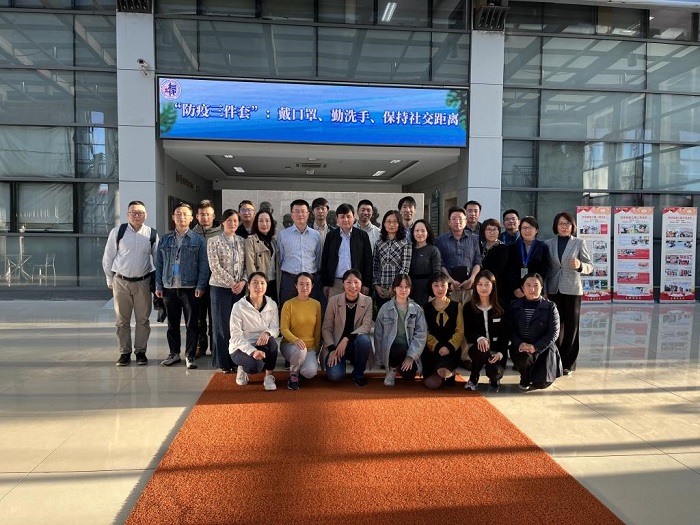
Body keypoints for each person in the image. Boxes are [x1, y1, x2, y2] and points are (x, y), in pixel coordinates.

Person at [102, 200, 158, 367]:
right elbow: (108, 257)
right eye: (133, 212)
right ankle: (124, 353)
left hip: (143, 282)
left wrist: (160, 283)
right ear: (127, 215)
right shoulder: (117, 232)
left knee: (143, 320)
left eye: (140, 212)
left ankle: (140, 352)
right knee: (122, 320)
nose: (136, 215)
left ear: (145, 215)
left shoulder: (151, 234)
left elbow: (158, 259)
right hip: (121, 282)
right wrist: (109, 279)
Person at [155, 203, 209, 369]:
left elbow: (204, 265)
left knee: (192, 324)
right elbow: (159, 264)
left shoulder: (198, 240)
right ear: (173, 217)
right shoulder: (165, 239)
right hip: (169, 287)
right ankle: (174, 353)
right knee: (172, 324)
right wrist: (159, 285)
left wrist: (201, 285)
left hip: (190, 288)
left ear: (192, 218)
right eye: (178, 214)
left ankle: (190, 355)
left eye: (185, 214)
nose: (181, 217)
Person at [544, 212, 593, 375]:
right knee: (556, 325)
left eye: (567, 224)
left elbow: (590, 266)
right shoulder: (548, 244)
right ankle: (554, 359)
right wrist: (544, 290)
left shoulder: (579, 243)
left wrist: (580, 265)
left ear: (573, 226)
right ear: (555, 226)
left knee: (572, 326)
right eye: (561, 223)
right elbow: (547, 268)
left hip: (572, 290)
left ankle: (568, 363)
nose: (564, 227)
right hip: (553, 289)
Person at [208, 209, 248, 373]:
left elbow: (247, 265)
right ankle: (223, 361)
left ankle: (236, 359)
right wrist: (232, 283)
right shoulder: (213, 241)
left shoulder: (242, 241)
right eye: (229, 220)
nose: (232, 223)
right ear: (223, 222)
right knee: (221, 326)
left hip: (239, 289)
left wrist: (243, 282)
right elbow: (215, 267)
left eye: (235, 221)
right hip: (220, 289)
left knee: (237, 326)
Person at [509, 272, 562, 391]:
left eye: (536, 286)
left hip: (543, 349)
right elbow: (510, 329)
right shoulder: (514, 305)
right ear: (522, 288)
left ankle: (542, 373)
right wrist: (519, 343)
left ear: (542, 287)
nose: (532, 289)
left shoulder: (550, 306)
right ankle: (525, 376)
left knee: (541, 384)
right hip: (522, 347)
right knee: (523, 359)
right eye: (528, 285)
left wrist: (535, 347)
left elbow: (554, 333)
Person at [229, 272, 280, 391]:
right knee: (256, 366)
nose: (259, 287)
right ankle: (243, 367)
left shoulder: (272, 304)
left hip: (261, 342)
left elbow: (275, 329)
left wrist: (267, 333)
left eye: (262, 283)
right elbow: (235, 336)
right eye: (255, 283)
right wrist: (252, 351)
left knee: (272, 342)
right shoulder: (238, 306)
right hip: (240, 347)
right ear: (248, 286)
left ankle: (268, 376)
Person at [322, 269, 373, 387]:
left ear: (361, 284)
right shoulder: (333, 301)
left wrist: (347, 338)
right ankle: (340, 364)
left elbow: (366, 326)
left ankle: (358, 373)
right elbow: (326, 328)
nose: (352, 286)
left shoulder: (368, 301)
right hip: (336, 346)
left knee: (364, 340)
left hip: (355, 345)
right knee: (335, 376)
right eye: (348, 282)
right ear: (343, 284)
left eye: (356, 282)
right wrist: (332, 348)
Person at [374, 275, 427, 386]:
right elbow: (378, 335)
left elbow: (421, 335)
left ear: (410, 289)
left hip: (409, 349)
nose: (403, 290)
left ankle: (400, 365)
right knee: (399, 350)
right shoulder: (385, 308)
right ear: (394, 288)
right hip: (391, 350)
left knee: (409, 376)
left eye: (406, 287)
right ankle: (392, 370)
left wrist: (411, 356)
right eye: (400, 286)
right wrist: (380, 359)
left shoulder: (417, 309)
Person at [463, 270, 509, 391]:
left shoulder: (502, 306)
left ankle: (493, 377)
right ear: (475, 286)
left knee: (495, 373)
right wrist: (479, 338)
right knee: (481, 349)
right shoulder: (468, 307)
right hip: (478, 349)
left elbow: (505, 333)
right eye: (480, 284)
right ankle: (473, 378)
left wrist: (501, 353)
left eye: (487, 284)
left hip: (497, 351)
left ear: (493, 286)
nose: (483, 288)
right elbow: (467, 332)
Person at [422, 272, 464, 390]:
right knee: (432, 384)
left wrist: (448, 347)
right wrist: (437, 346)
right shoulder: (425, 308)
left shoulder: (457, 306)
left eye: (443, 285)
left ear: (448, 286)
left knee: (444, 372)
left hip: (450, 350)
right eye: (436, 285)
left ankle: (449, 372)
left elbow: (460, 331)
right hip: (432, 350)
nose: (440, 289)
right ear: (431, 287)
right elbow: (424, 332)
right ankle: (438, 372)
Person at [280, 272, 322, 390]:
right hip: (291, 346)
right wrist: (295, 340)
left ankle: (300, 371)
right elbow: (283, 328)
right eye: (301, 284)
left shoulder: (316, 304)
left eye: (307, 284)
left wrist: (317, 348)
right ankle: (293, 375)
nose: (304, 287)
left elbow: (317, 329)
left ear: (312, 286)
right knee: (300, 350)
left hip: (310, 348)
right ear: (296, 285)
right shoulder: (288, 304)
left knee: (310, 372)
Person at [320, 203, 372, 298]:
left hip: (356, 283)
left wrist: (366, 283)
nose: (345, 220)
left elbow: (368, 261)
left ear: (354, 217)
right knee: (335, 307)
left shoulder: (362, 236)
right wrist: (326, 283)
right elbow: (325, 260)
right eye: (342, 217)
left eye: (348, 216)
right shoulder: (331, 236)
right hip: (335, 283)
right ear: (337, 218)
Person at [277, 199, 322, 307]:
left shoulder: (316, 235)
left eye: (303, 211)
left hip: (310, 280)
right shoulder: (283, 235)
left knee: (310, 311)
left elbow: (318, 258)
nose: (300, 214)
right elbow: (280, 258)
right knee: (287, 310)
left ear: (308, 214)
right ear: (291, 215)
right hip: (289, 280)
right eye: (296, 211)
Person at [191, 199, 221, 359]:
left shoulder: (221, 232)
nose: (205, 217)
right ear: (197, 216)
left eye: (208, 214)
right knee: (199, 317)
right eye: (202, 214)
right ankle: (200, 345)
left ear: (213, 216)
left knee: (215, 316)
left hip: (216, 281)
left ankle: (215, 346)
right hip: (197, 283)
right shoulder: (191, 234)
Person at [435, 206, 482, 304]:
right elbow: (440, 263)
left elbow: (477, 261)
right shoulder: (440, 240)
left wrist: (472, 279)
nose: (457, 222)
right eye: (454, 219)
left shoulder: (474, 239)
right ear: (449, 222)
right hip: (449, 288)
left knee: (469, 312)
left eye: (460, 219)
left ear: (466, 221)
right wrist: (450, 280)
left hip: (469, 287)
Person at [372, 210, 412, 311]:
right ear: (384, 223)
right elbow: (375, 266)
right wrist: (376, 285)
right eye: (388, 221)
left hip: (398, 290)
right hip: (381, 289)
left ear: (399, 224)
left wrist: (394, 287)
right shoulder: (379, 243)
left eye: (395, 222)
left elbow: (405, 268)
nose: (391, 224)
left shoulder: (405, 243)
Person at [505, 216, 550, 302]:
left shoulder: (543, 247)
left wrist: (536, 286)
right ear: (520, 230)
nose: (527, 231)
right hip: (517, 290)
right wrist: (515, 288)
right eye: (524, 228)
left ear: (536, 230)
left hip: (535, 289)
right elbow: (509, 269)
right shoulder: (512, 247)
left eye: (530, 228)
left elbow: (545, 268)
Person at [245, 209, 279, 304]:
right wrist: (255, 284)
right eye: (261, 221)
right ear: (256, 223)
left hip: (273, 282)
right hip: (259, 284)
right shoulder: (251, 240)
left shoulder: (273, 241)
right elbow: (250, 265)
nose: (264, 224)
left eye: (267, 221)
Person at [408, 219, 441, 306]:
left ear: (428, 233)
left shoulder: (433, 250)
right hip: (411, 289)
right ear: (413, 233)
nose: (419, 233)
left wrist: (432, 293)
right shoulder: (408, 249)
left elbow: (437, 274)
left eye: (423, 231)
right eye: (417, 230)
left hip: (427, 289)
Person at [480, 218, 509, 306]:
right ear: (483, 231)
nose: (491, 232)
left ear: (499, 231)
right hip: (480, 285)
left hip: (497, 286)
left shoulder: (503, 248)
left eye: (494, 229)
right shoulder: (479, 247)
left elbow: (500, 270)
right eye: (488, 229)